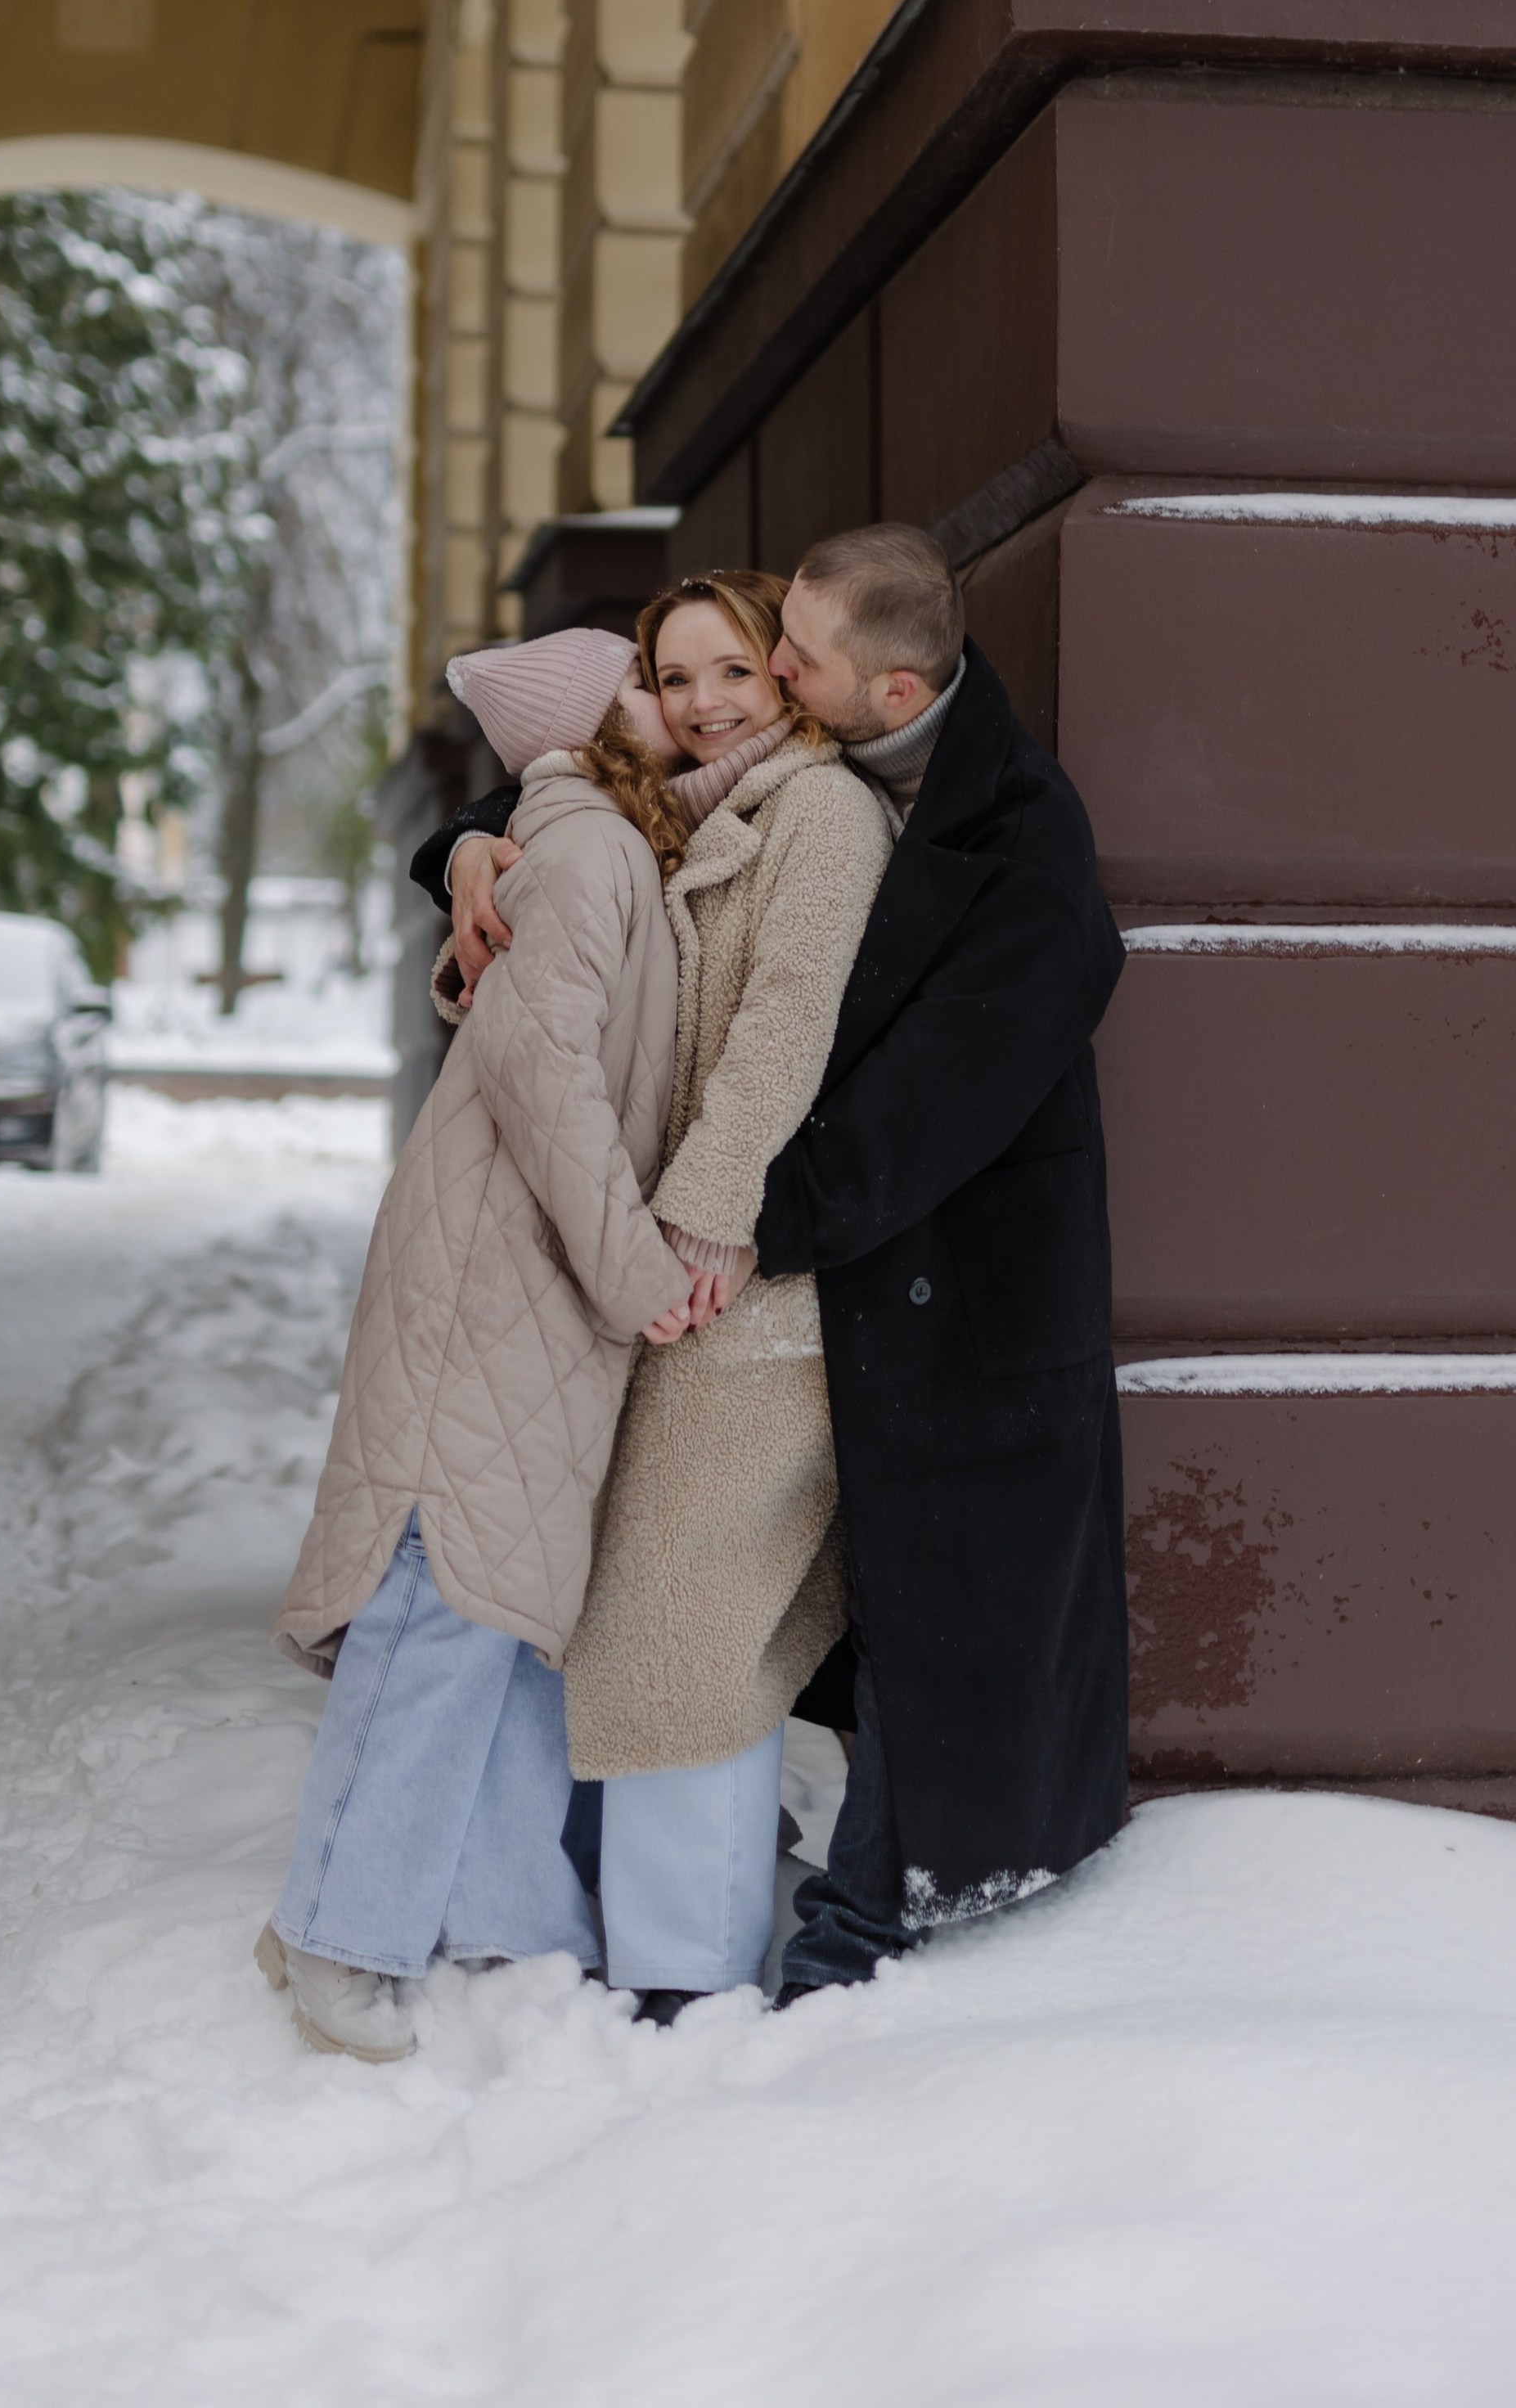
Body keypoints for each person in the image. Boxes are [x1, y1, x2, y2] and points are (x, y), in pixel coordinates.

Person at [259, 628, 696, 2062]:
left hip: (521, 1271)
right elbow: (537, 1064)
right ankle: (335, 1928)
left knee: (503, 1601)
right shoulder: (586, 849)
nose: (676, 698)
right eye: (646, 680)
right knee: (439, 1590)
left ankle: (514, 1922)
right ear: (591, 723)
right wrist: (638, 1268)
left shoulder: (591, 840)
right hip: (494, 1278)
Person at [759, 522, 1131, 1997]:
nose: (769, 671)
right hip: (838, 1274)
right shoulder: (810, 745)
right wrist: (472, 843)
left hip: (966, 1290)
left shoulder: (1028, 842)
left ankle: (863, 1925)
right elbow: (610, 767)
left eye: (799, 655)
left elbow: (921, 1115)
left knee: (943, 1612)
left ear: (897, 692)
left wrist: (716, 1218)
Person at [561, 569, 894, 2019]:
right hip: (682, 1276)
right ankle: (671, 1941)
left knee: (689, 1621)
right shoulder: (691, 813)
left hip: (751, 1281)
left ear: (788, 679)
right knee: (668, 1614)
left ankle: (687, 1973)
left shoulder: (819, 812)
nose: (702, 702)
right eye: (672, 675)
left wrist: (702, 1217)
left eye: (733, 672)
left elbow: (787, 1024)